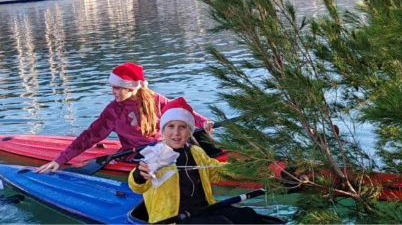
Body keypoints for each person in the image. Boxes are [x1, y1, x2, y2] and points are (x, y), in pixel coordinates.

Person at [36, 63, 214, 173]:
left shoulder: (155, 99)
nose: (113, 92)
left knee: (193, 136)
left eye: (117, 88)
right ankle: (201, 167)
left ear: (131, 88)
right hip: (137, 154)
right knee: (179, 153)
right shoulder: (114, 110)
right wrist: (59, 160)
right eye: (112, 87)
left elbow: (183, 113)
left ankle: (214, 159)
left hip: (165, 145)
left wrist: (203, 122)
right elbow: (89, 136)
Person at [131, 98, 268, 224]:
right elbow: (137, 186)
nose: (176, 132)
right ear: (163, 129)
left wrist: (250, 168)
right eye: (171, 126)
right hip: (172, 219)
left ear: (190, 131)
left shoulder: (196, 152)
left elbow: (218, 171)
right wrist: (138, 176)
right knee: (221, 223)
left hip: (204, 209)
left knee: (247, 214)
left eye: (182, 127)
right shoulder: (154, 155)